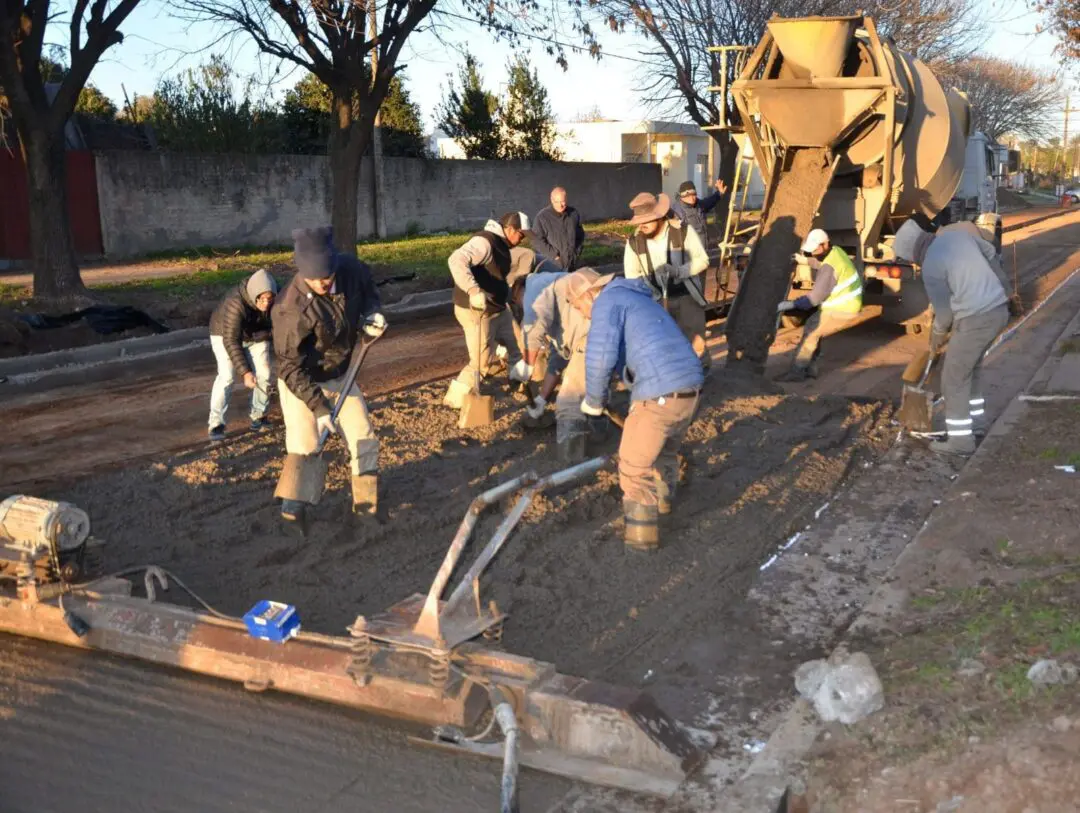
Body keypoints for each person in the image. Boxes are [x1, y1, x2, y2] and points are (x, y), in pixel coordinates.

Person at [579, 275, 704, 551]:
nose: (582, 314)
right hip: (690, 388)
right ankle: (664, 509)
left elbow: (599, 356)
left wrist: (594, 400)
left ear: (588, 295)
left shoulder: (607, 301)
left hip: (660, 393)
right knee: (664, 453)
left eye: (578, 306)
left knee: (634, 468)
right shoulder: (637, 299)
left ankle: (641, 542)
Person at [272, 227, 388, 524]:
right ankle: (292, 513)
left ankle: (366, 508)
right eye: (313, 279)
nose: (321, 283)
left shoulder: (351, 270)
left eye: (326, 277)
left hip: (340, 374)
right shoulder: (289, 308)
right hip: (302, 382)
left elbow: (368, 289)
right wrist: (319, 408)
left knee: (363, 436)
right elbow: (289, 366)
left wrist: (372, 312)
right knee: (306, 446)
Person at [893, 218, 1008, 456]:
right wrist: (1004, 287)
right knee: (970, 370)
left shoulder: (930, 266)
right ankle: (976, 425)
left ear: (914, 252)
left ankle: (960, 441)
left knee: (953, 379)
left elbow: (944, 314)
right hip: (998, 310)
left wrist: (936, 336)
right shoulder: (957, 236)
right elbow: (990, 252)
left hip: (977, 318)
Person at [520, 268, 614, 461]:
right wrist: (542, 399)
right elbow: (557, 361)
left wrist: (526, 367)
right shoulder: (559, 316)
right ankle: (600, 434)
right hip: (594, 338)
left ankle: (571, 460)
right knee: (593, 390)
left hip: (592, 338)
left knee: (569, 400)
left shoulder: (533, 291)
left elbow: (533, 331)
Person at [444, 213, 530, 408]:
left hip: (498, 308)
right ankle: (455, 400)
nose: (523, 239)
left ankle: (519, 385)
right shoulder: (484, 243)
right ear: (510, 229)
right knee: (481, 362)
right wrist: (473, 290)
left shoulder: (503, 245)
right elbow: (456, 259)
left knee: (518, 346)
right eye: (521, 235)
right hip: (476, 310)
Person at [623, 192, 711, 368]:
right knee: (664, 350)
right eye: (639, 221)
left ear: (659, 216)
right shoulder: (634, 243)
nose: (642, 225)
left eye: (647, 220)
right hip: (655, 303)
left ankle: (701, 377)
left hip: (687, 297)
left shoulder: (683, 232)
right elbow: (631, 277)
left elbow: (703, 260)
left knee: (696, 348)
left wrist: (678, 271)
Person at [775, 228, 864, 382]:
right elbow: (823, 263)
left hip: (842, 308)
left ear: (825, 244)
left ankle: (797, 372)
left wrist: (788, 305)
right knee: (814, 328)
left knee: (811, 332)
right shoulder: (836, 251)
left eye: (815, 249)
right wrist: (805, 260)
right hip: (848, 303)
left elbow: (813, 299)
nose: (813, 253)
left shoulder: (829, 268)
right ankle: (811, 368)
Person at [207, 269, 277, 441]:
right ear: (254, 295)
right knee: (227, 377)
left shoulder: (279, 297)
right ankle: (216, 423)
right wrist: (245, 372)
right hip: (224, 334)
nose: (266, 303)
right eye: (262, 299)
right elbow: (231, 340)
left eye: (269, 298)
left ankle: (259, 415)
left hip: (257, 334)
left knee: (265, 373)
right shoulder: (235, 303)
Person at [531, 187, 585, 271]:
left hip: (571, 264)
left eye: (563, 201)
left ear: (566, 199)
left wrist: (576, 253)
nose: (560, 205)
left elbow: (580, 236)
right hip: (552, 265)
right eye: (557, 202)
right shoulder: (542, 217)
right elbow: (536, 241)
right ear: (552, 200)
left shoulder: (573, 214)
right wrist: (554, 256)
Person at [670, 178, 728, 248]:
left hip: (703, 249)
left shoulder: (698, 205)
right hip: (688, 252)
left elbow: (710, 201)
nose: (692, 198)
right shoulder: (676, 211)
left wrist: (719, 193)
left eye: (693, 195)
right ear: (681, 196)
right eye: (688, 196)